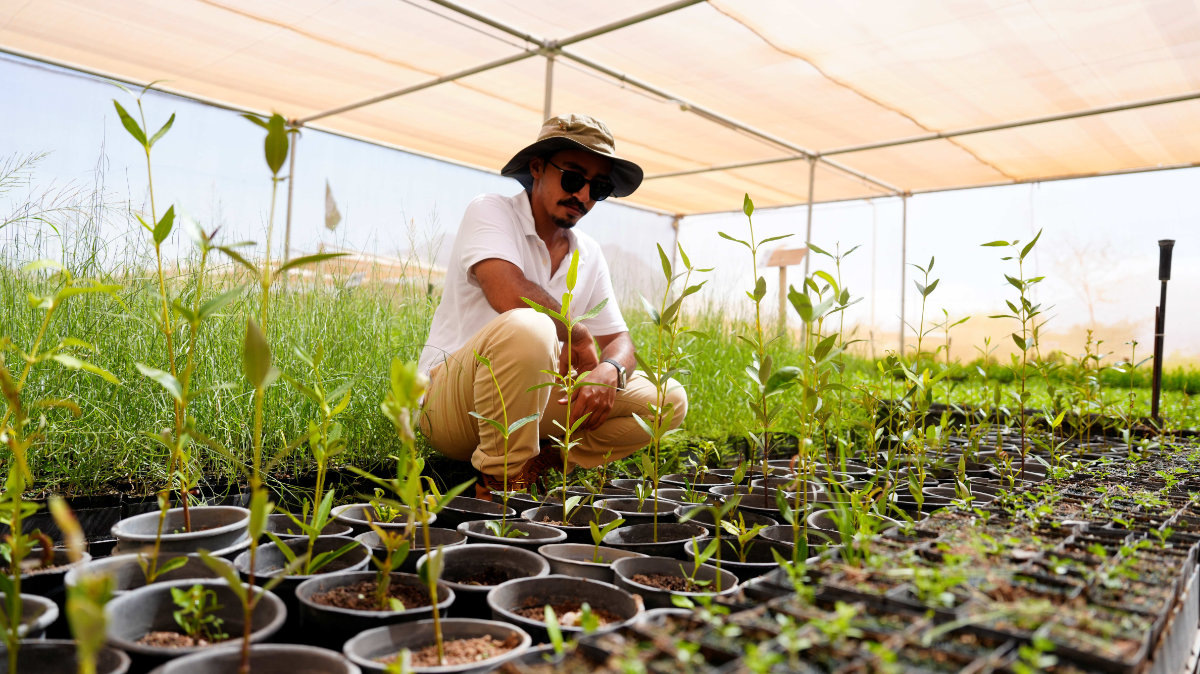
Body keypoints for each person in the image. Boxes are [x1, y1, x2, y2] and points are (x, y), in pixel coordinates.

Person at [417, 114, 688, 499]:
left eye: (599, 187)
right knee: (531, 327)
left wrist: (609, 371)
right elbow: (507, 293)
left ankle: (541, 463)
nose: (583, 196)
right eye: (574, 178)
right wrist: (577, 334)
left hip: (532, 405)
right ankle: (498, 487)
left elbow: (620, 340)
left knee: (669, 399)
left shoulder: (589, 254)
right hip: (452, 404)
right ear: (538, 168)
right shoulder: (491, 211)